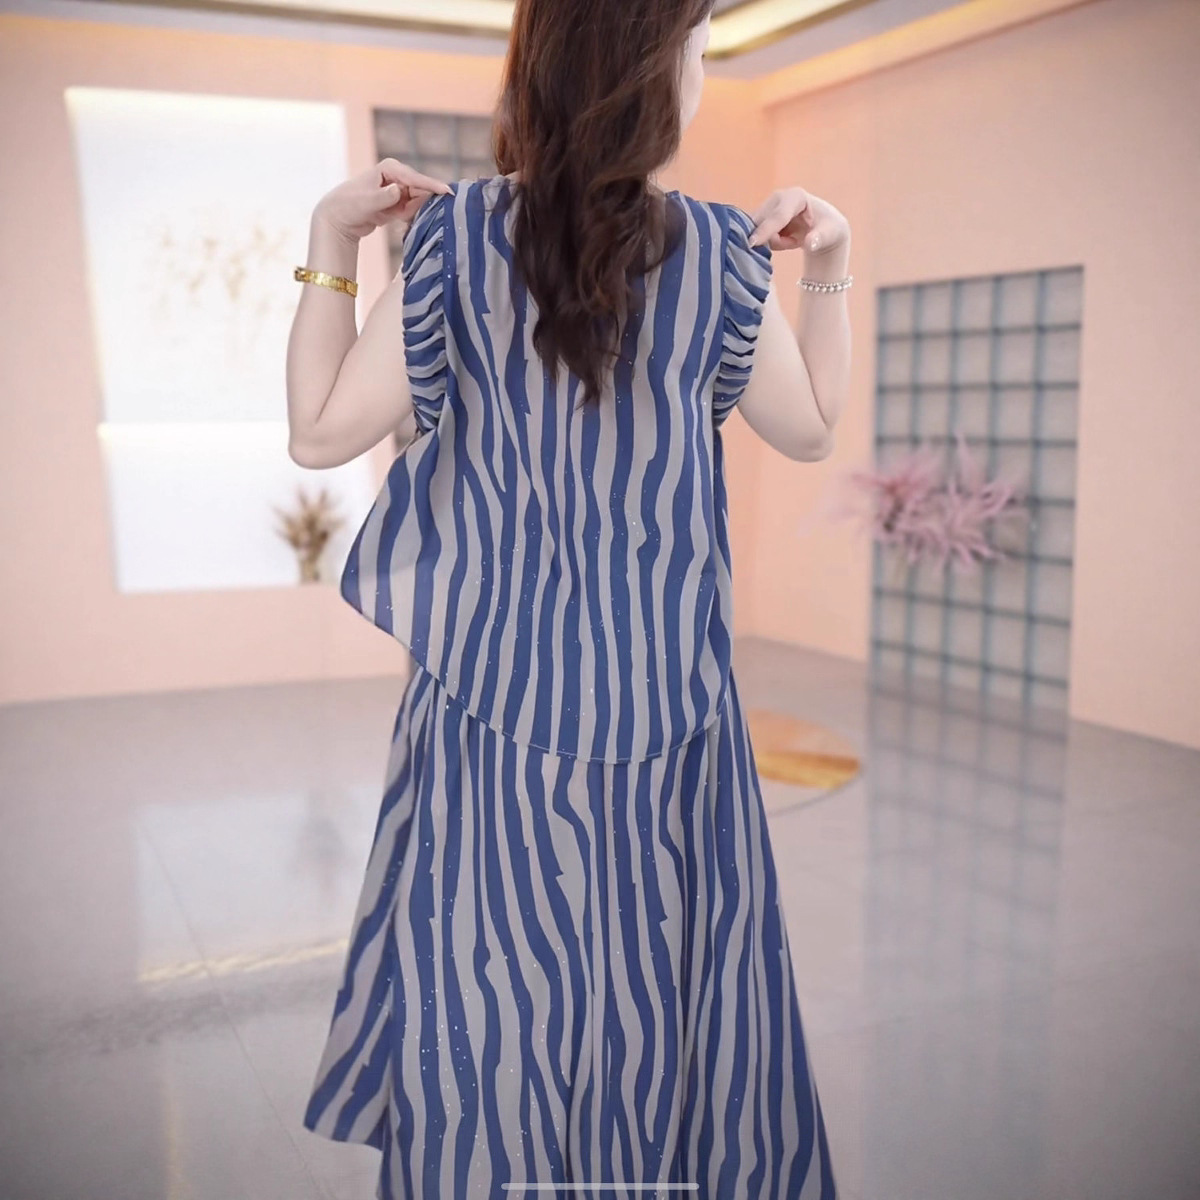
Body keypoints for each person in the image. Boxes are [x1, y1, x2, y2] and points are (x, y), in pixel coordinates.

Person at [285, 0, 851, 1193]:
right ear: (652, 70)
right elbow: (809, 430)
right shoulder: (722, 256)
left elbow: (320, 430)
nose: (700, 73)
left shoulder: (456, 239)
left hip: (486, 713)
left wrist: (331, 240)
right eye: (697, 49)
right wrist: (834, 265)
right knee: (667, 1023)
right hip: (674, 714)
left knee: (484, 1015)